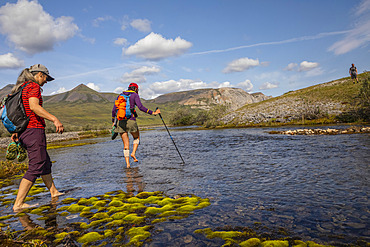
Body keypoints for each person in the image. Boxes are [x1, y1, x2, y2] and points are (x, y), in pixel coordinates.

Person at [11, 64, 64, 211]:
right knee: (36, 165)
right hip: (33, 130)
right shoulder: (33, 86)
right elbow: (34, 107)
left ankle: (53, 192)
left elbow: (21, 112)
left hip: (24, 131)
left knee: (45, 162)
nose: (46, 81)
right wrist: (54, 119)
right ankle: (18, 204)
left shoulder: (21, 88)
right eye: (46, 78)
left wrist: (16, 131)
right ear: (40, 74)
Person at [112, 83, 160, 168]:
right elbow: (141, 107)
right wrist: (153, 113)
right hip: (131, 120)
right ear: (136, 89)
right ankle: (133, 153)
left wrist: (113, 121)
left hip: (120, 121)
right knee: (136, 137)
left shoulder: (120, 95)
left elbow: (114, 109)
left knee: (125, 145)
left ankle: (127, 164)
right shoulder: (134, 95)